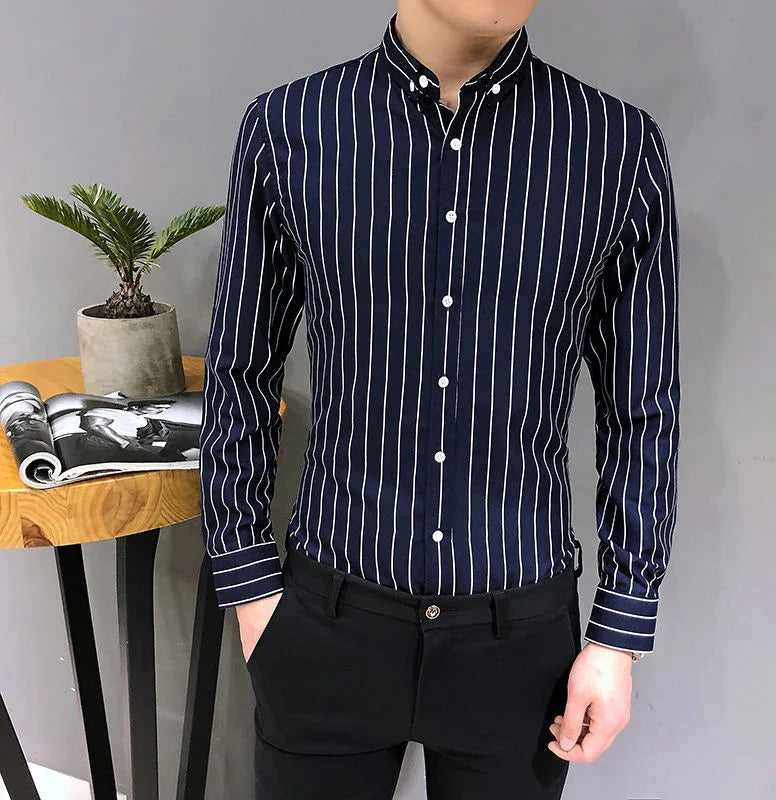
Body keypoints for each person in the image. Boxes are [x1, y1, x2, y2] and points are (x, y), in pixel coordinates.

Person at [199, 1, 680, 797]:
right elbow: (240, 368)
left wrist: (618, 633)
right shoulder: (289, 126)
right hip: (328, 623)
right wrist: (252, 590)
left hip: (520, 641)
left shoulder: (616, 146)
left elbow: (643, 406)